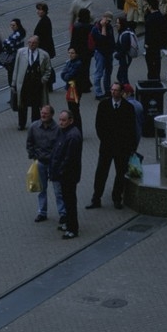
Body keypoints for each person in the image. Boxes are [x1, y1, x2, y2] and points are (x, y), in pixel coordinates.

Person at [89, 82, 139, 209]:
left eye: (116, 90)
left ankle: (117, 198)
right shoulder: (104, 105)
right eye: (112, 90)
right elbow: (99, 125)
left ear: (121, 93)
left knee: (120, 173)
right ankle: (96, 198)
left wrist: (131, 147)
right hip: (106, 146)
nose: (113, 92)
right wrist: (105, 139)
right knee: (101, 172)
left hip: (122, 148)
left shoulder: (128, 108)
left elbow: (131, 128)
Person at [52, 108, 85, 238]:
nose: (61, 122)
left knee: (70, 202)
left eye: (63, 120)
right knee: (67, 201)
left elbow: (69, 158)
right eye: (60, 120)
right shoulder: (65, 132)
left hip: (68, 175)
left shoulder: (72, 136)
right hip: (65, 173)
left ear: (70, 121)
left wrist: (60, 171)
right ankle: (68, 224)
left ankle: (72, 229)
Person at [11, 35, 53, 131]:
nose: (31, 44)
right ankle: (21, 124)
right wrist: (14, 83)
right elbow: (16, 68)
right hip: (24, 83)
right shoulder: (21, 52)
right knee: (22, 104)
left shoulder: (44, 55)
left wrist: (44, 79)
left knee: (36, 104)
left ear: (38, 44)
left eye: (34, 43)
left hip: (37, 84)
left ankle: (35, 124)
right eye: (29, 42)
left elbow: (48, 70)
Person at [26, 103, 59, 220]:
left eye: (46, 113)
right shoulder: (34, 126)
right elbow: (29, 142)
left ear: (51, 115)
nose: (43, 115)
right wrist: (33, 155)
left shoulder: (57, 129)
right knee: (41, 189)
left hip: (53, 163)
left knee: (58, 190)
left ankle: (63, 213)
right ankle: (42, 212)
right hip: (40, 162)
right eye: (42, 113)